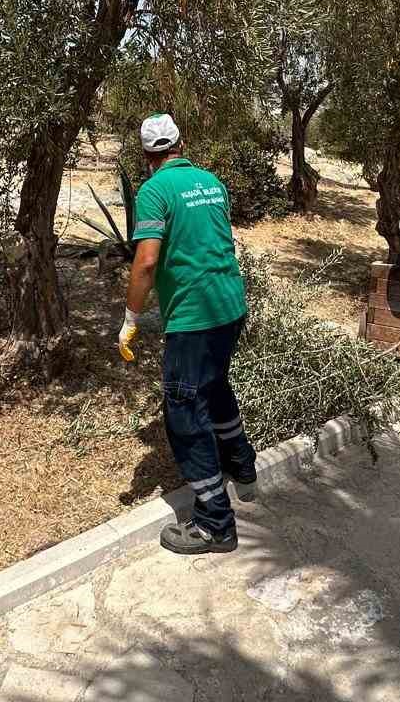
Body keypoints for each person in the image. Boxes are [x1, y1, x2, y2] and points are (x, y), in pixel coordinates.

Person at [120, 113, 256, 554]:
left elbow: (145, 262)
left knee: (182, 409)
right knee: (214, 385)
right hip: (230, 304)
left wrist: (130, 318)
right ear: (182, 143)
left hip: (194, 316)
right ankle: (242, 465)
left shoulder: (154, 190)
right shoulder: (211, 181)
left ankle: (215, 522)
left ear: (146, 156)